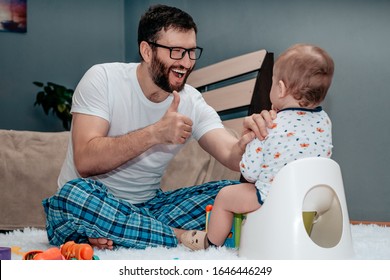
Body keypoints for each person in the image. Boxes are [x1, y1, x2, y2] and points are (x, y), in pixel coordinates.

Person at [42, 4, 273, 250]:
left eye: (191, 52)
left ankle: (125, 234)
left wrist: (249, 143)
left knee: (232, 192)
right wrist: (155, 133)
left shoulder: (191, 101)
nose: (186, 62)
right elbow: (85, 161)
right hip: (84, 208)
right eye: (176, 51)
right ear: (147, 50)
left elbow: (229, 153)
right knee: (74, 195)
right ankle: (178, 237)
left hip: (150, 208)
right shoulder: (103, 80)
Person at [180, 43, 335, 250]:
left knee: (225, 195)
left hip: (273, 197)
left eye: (271, 82)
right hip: (313, 197)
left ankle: (211, 242)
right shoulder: (324, 122)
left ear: (279, 89)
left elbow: (250, 172)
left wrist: (252, 146)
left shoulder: (269, 125)